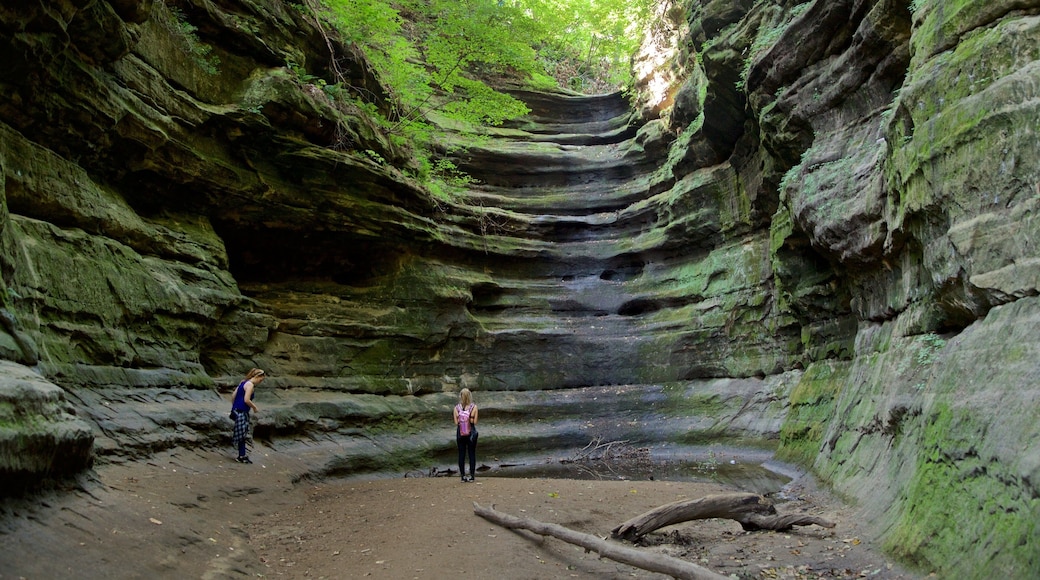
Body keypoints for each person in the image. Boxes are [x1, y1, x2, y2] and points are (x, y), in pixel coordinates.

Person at [230, 368, 265, 464]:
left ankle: (242, 455)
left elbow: (233, 396)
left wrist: (234, 406)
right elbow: (246, 400)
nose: (260, 382)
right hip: (242, 411)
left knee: (242, 433)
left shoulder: (243, 382)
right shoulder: (250, 385)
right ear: (258, 377)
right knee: (242, 433)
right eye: (261, 380)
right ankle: (241, 456)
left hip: (236, 410)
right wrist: (254, 407)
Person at [454, 388, 479, 482]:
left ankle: (463, 476)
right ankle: (472, 476)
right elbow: (475, 422)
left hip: (460, 433)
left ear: (460, 396)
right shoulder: (474, 407)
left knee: (461, 454)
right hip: (471, 433)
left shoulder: (456, 408)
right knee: (471, 453)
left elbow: (456, 422)